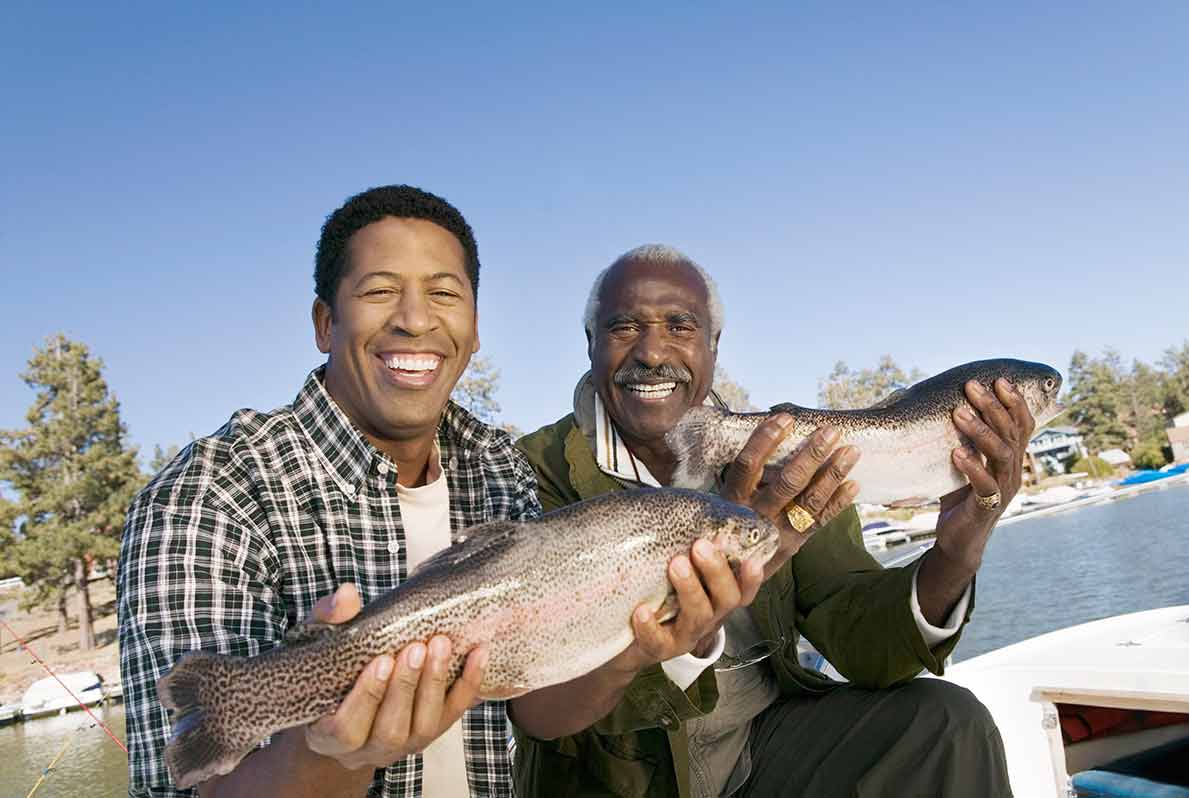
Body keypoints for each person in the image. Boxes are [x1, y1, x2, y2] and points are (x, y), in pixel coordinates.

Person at [510, 244, 1025, 797]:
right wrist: (694, 605)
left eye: (680, 327)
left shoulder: (777, 456)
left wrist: (958, 551)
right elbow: (539, 698)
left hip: (765, 749)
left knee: (948, 723)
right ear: (590, 344)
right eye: (623, 327)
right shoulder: (528, 472)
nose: (653, 352)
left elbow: (863, 642)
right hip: (619, 782)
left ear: (713, 345)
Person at [118, 185, 540, 798]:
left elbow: (535, 706)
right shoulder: (206, 495)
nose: (415, 319)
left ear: (474, 329)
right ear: (324, 323)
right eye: (379, 291)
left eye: (444, 294)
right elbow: (181, 791)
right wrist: (332, 757)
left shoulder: (502, 466)